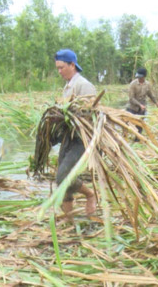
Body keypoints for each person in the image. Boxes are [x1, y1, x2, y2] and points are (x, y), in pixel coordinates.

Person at [53, 49, 97, 219]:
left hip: (81, 139)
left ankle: (90, 194)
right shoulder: (68, 86)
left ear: (72, 65)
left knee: (64, 176)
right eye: (57, 68)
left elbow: (89, 115)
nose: (59, 71)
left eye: (62, 67)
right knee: (61, 182)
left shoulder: (83, 85)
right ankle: (69, 221)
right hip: (68, 138)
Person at [126, 68, 158, 137]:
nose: (139, 79)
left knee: (140, 124)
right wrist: (139, 105)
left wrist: (157, 104)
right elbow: (131, 98)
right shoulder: (133, 84)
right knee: (129, 123)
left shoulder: (147, 84)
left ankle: (138, 138)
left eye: (141, 77)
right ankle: (126, 137)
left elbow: (151, 95)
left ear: (144, 77)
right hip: (132, 107)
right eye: (138, 77)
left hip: (142, 108)